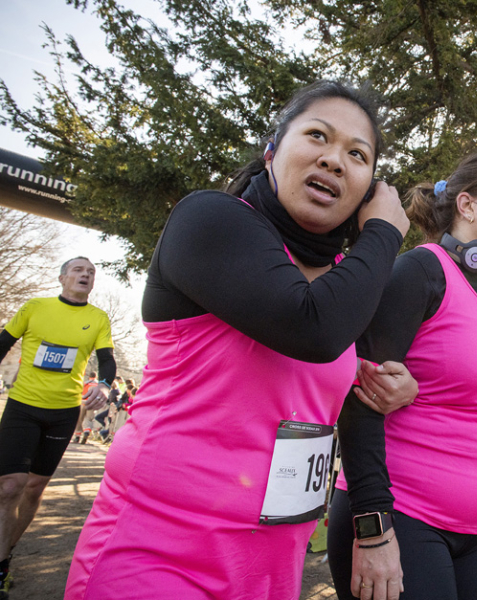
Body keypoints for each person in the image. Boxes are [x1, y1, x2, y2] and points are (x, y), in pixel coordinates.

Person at [65, 80, 411, 600]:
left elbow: (358, 411)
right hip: (162, 553)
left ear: (365, 190)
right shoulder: (210, 219)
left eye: (356, 155)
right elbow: (312, 328)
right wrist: (384, 232)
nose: (335, 160)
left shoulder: (345, 284)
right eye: (318, 135)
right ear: (271, 152)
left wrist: (373, 524)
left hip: (273, 565)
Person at [328, 153, 477, 600]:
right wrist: (374, 530)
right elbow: (357, 398)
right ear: (467, 205)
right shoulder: (420, 271)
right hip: (405, 520)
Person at [0, 257, 115, 600]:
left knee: (34, 488)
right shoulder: (36, 307)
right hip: (23, 405)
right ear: (63, 277)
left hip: (64, 412)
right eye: (78, 270)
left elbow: (107, 359)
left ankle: (6, 552)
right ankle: (0, 563)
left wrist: (105, 385)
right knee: (9, 486)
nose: (85, 275)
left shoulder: (97, 319)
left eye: (91, 272)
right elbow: (3, 342)